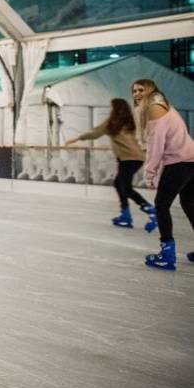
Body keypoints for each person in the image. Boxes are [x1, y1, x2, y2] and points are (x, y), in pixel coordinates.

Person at [64, 98, 155, 231]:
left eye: (112, 107)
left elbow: (95, 133)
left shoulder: (112, 122)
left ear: (115, 109)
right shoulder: (132, 122)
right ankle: (128, 213)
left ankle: (144, 210)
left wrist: (77, 138)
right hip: (137, 158)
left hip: (128, 158)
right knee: (121, 185)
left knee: (123, 185)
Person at [132, 79, 194, 270]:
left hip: (180, 162)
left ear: (150, 90)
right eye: (134, 91)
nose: (136, 94)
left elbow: (156, 145)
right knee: (189, 202)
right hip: (190, 159)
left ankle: (167, 254)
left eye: (141, 90)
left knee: (161, 204)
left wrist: (150, 172)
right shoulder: (162, 103)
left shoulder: (154, 108)